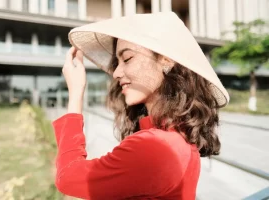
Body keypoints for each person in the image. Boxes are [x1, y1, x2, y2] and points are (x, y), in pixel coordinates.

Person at [52, 12, 229, 199]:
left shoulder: (155, 146)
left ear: (166, 60)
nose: (116, 73)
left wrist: (75, 93)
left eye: (127, 59)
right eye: (117, 63)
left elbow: (68, 177)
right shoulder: (179, 136)